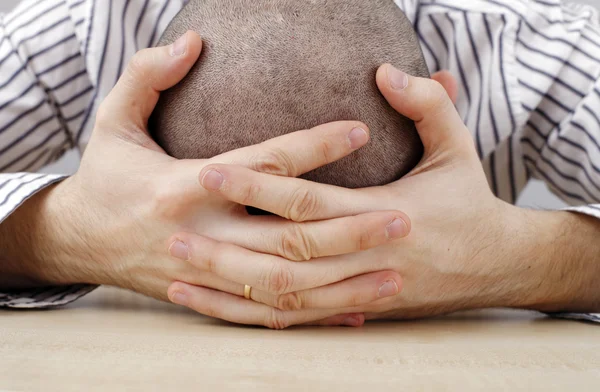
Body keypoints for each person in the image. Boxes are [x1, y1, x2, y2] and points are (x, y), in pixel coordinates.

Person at [0, 0, 599, 327]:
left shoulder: (532, 43)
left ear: (439, 100)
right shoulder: (79, 21)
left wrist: (514, 255)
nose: (275, 272)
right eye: (234, 220)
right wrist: (67, 232)